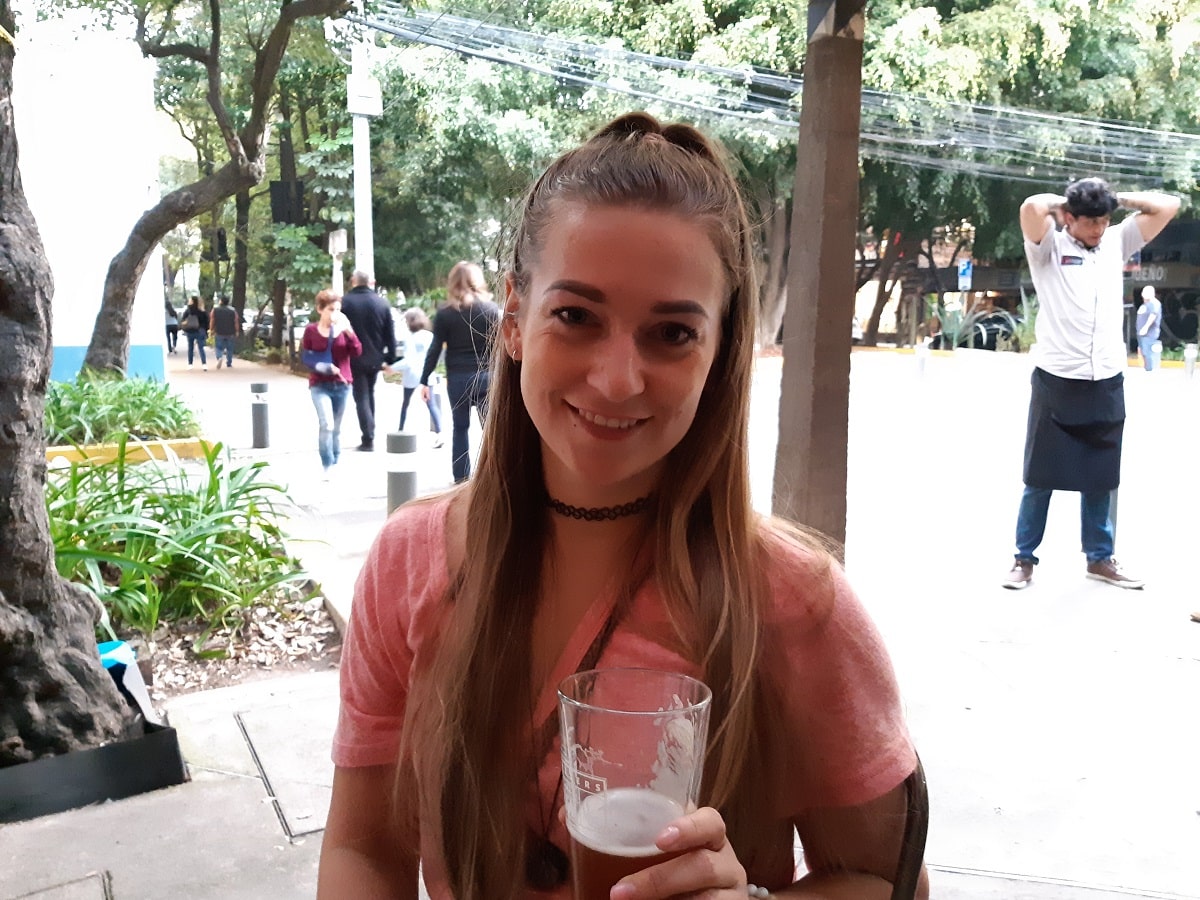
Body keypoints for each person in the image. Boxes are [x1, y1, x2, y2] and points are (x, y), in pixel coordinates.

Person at [319, 113, 927, 900]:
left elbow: (889, 880)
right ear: (512, 317)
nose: (616, 379)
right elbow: (364, 851)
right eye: (576, 316)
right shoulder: (409, 562)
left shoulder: (795, 603)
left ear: (718, 351)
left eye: (671, 333)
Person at [1002, 178, 1179, 591]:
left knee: (1102, 475)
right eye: (1089, 222)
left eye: (1103, 221)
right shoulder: (1048, 248)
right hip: (1056, 378)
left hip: (1106, 377)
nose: (1098, 230)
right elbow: (1031, 206)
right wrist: (1069, 199)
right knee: (1039, 477)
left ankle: (1100, 558)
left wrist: (1118, 200)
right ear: (1067, 218)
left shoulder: (1117, 240)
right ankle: (1023, 559)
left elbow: (1168, 205)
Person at [420, 261, 499, 483]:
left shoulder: (445, 313)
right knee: (491, 431)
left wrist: (424, 380)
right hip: (487, 378)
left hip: (458, 380)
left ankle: (461, 478)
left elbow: (435, 349)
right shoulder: (491, 310)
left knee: (460, 428)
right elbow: (499, 348)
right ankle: (494, 475)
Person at [302, 290, 362, 477]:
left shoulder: (344, 331)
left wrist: (349, 331)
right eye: (330, 309)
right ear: (320, 310)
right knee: (326, 424)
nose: (334, 313)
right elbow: (305, 356)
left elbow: (357, 351)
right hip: (319, 385)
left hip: (342, 384)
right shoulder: (311, 330)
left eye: (337, 309)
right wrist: (322, 366)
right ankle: (327, 464)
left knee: (336, 428)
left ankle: (336, 458)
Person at [339, 270, 397, 451]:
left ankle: (368, 437)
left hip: (354, 357)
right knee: (369, 393)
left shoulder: (345, 303)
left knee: (361, 396)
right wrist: (390, 358)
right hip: (376, 358)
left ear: (353, 281)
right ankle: (370, 431)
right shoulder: (382, 303)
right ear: (371, 282)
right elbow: (390, 334)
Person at [398, 308, 443, 447]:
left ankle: (400, 429)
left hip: (412, 374)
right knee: (432, 405)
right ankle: (440, 433)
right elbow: (437, 355)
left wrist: (391, 368)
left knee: (405, 403)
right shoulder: (429, 336)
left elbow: (407, 359)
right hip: (427, 374)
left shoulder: (410, 337)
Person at [1135, 285, 1162, 372]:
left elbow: (1153, 315)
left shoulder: (1154, 303)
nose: (1144, 294)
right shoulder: (1146, 304)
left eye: (1147, 292)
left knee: (1148, 353)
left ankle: (1150, 371)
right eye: (1144, 292)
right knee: (1144, 352)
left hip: (1149, 333)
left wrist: (1145, 328)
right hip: (1142, 333)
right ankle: (1147, 369)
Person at [210, 295, 240, 369]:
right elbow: (236, 321)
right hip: (230, 332)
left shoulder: (215, 309)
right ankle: (229, 363)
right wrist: (237, 331)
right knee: (230, 348)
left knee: (218, 347)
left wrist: (211, 329)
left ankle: (219, 357)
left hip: (219, 331)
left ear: (221, 301)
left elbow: (212, 320)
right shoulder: (233, 310)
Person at [181, 295, 209, 370]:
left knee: (190, 347)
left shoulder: (188, 310)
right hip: (200, 330)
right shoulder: (202, 310)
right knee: (201, 348)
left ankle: (190, 364)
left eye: (190, 300)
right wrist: (205, 330)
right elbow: (206, 321)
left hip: (190, 330)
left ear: (192, 301)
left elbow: (183, 320)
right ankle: (204, 364)